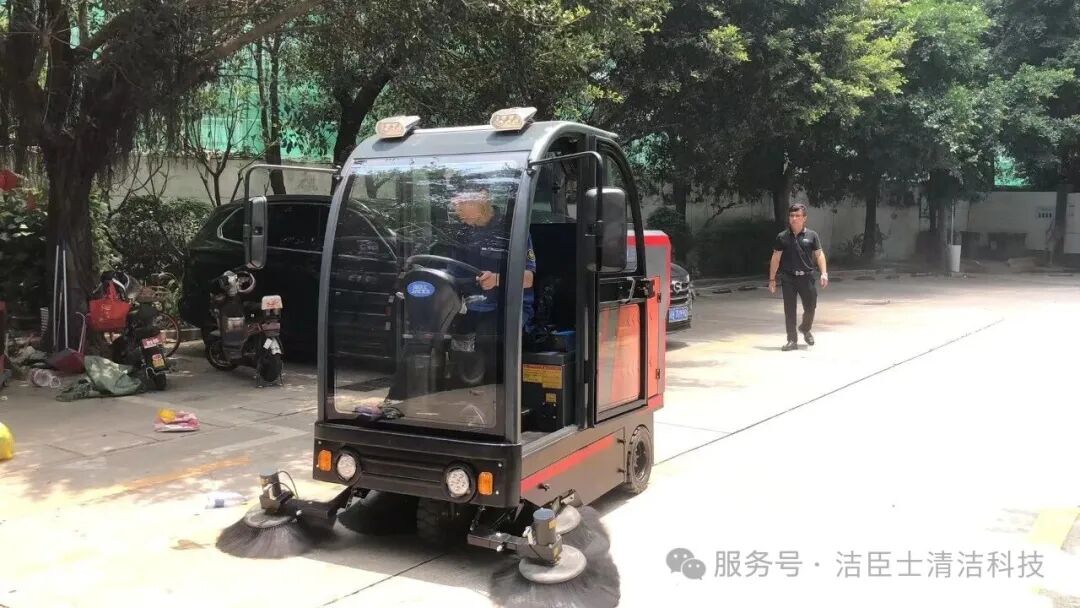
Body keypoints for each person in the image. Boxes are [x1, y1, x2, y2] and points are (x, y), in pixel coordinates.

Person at [448, 189, 536, 333]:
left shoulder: (513, 229)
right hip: (470, 305)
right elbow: (453, 275)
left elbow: (528, 279)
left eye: (461, 204)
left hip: (507, 307)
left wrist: (496, 279)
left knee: (486, 333)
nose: (457, 211)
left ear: (481, 199)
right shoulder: (462, 233)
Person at [768, 203, 828, 351]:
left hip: (806, 278)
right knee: (789, 310)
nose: (794, 218)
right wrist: (772, 279)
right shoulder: (782, 237)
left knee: (811, 306)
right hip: (788, 278)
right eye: (792, 216)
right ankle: (792, 340)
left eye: (797, 216)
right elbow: (776, 258)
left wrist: (824, 273)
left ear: (804, 218)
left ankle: (805, 328)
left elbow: (819, 254)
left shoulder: (812, 235)